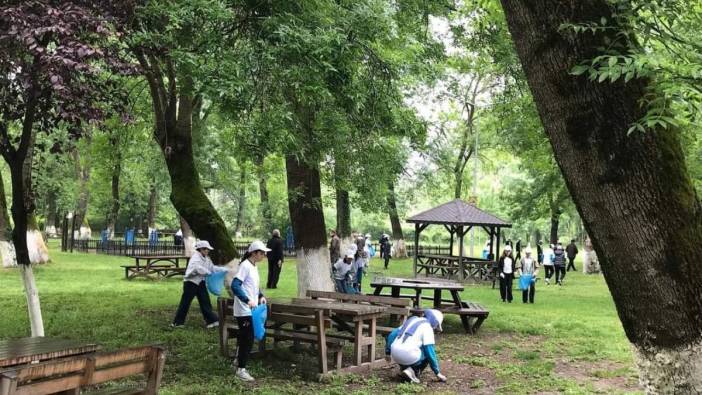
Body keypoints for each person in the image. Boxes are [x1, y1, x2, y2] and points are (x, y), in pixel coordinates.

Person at [231, 240, 269, 382]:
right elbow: (235, 285)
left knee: (244, 337)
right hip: (244, 310)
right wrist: (247, 300)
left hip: (251, 310)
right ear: (254, 253)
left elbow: (253, 285)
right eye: (262, 253)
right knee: (248, 339)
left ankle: (237, 361)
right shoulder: (245, 266)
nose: (264, 255)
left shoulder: (254, 266)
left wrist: (260, 296)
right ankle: (241, 369)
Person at [172, 240, 228, 329]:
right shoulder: (195, 257)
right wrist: (208, 272)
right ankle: (177, 323)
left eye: (208, 249)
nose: (207, 250)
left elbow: (212, 268)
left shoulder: (207, 258)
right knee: (185, 303)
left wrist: (223, 269)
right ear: (200, 249)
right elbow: (197, 268)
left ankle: (211, 321)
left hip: (200, 282)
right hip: (190, 283)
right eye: (205, 249)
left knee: (205, 301)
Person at [386, 309, 447, 384]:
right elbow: (430, 352)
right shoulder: (428, 327)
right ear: (435, 322)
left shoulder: (411, 320)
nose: (435, 328)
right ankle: (413, 371)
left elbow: (392, 335)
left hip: (394, 354)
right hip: (409, 355)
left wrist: (388, 352)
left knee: (409, 348)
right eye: (437, 325)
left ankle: (404, 369)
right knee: (425, 351)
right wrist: (437, 372)